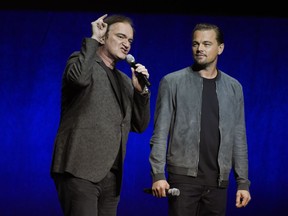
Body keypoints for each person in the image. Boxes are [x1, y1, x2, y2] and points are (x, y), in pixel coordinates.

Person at [50, 14, 150, 216]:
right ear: (104, 37)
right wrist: (93, 39)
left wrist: (141, 92)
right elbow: (78, 79)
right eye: (121, 37)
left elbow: (139, 125)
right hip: (79, 170)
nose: (126, 44)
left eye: (130, 40)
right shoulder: (79, 60)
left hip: (111, 177)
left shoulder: (124, 80)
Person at [149, 23, 251, 216]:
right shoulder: (172, 82)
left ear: (220, 48)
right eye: (196, 44)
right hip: (183, 180)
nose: (200, 49)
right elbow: (160, 133)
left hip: (218, 183)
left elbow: (239, 138)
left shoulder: (234, 88)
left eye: (206, 43)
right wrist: (158, 174)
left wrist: (243, 183)